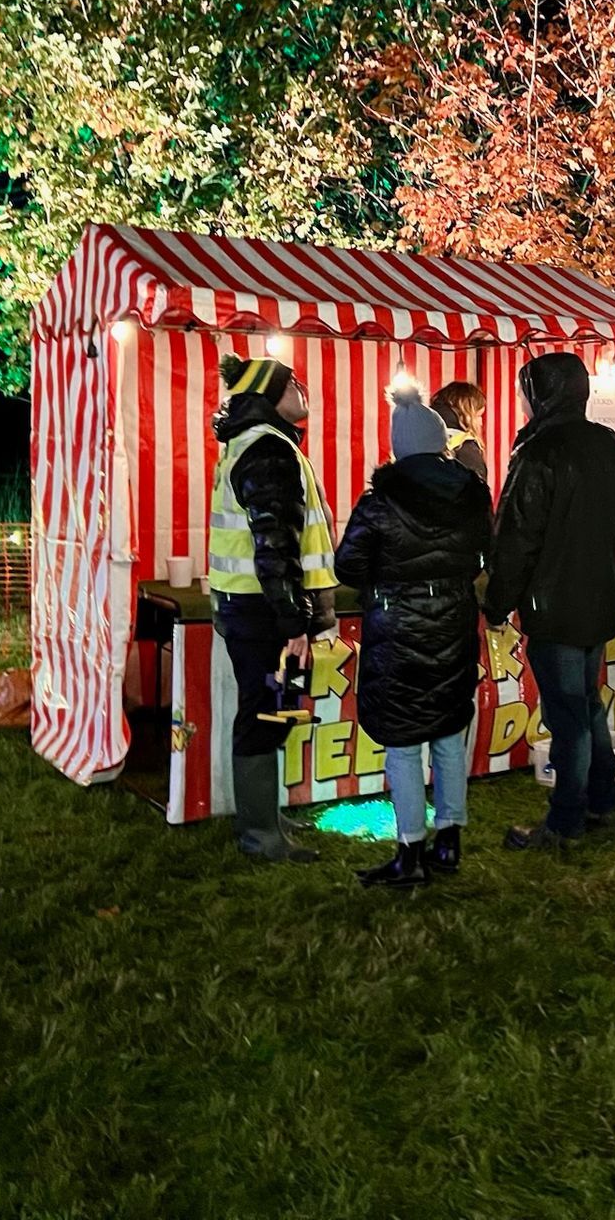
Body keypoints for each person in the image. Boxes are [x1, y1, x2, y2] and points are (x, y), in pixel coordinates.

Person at [334, 387, 493, 888]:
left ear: (399, 446)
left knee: (403, 744)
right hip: (453, 620)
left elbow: (349, 565)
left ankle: (409, 851)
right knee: (448, 734)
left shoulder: (380, 499)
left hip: (397, 627)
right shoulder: (472, 490)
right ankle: (449, 840)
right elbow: (486, 552)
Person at [484, 353, 615, 852]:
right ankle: (601, 799)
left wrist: (496, 602)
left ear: (541, 394)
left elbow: (515, 539)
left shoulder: (539, 452)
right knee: (586, 705)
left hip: (557, 605)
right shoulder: (607, 444)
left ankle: (567, 821)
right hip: (601, 595)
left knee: (569, 714)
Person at [208, 354, 339, 864]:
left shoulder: (261, 444)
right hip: (265, 613)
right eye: (292, 383)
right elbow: (274, 545)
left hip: (256, 607)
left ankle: (266, 817)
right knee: (264, 713)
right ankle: (260, 834)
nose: (302, 390)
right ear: (268, 394)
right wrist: (295, 623)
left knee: (275, 710)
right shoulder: (268, 451)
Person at [430, 380, 490, 481]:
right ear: (466, 413)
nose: (481, 423)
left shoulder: (419, 438)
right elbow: (476, 494)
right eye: (478, 416)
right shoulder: (465, 448)